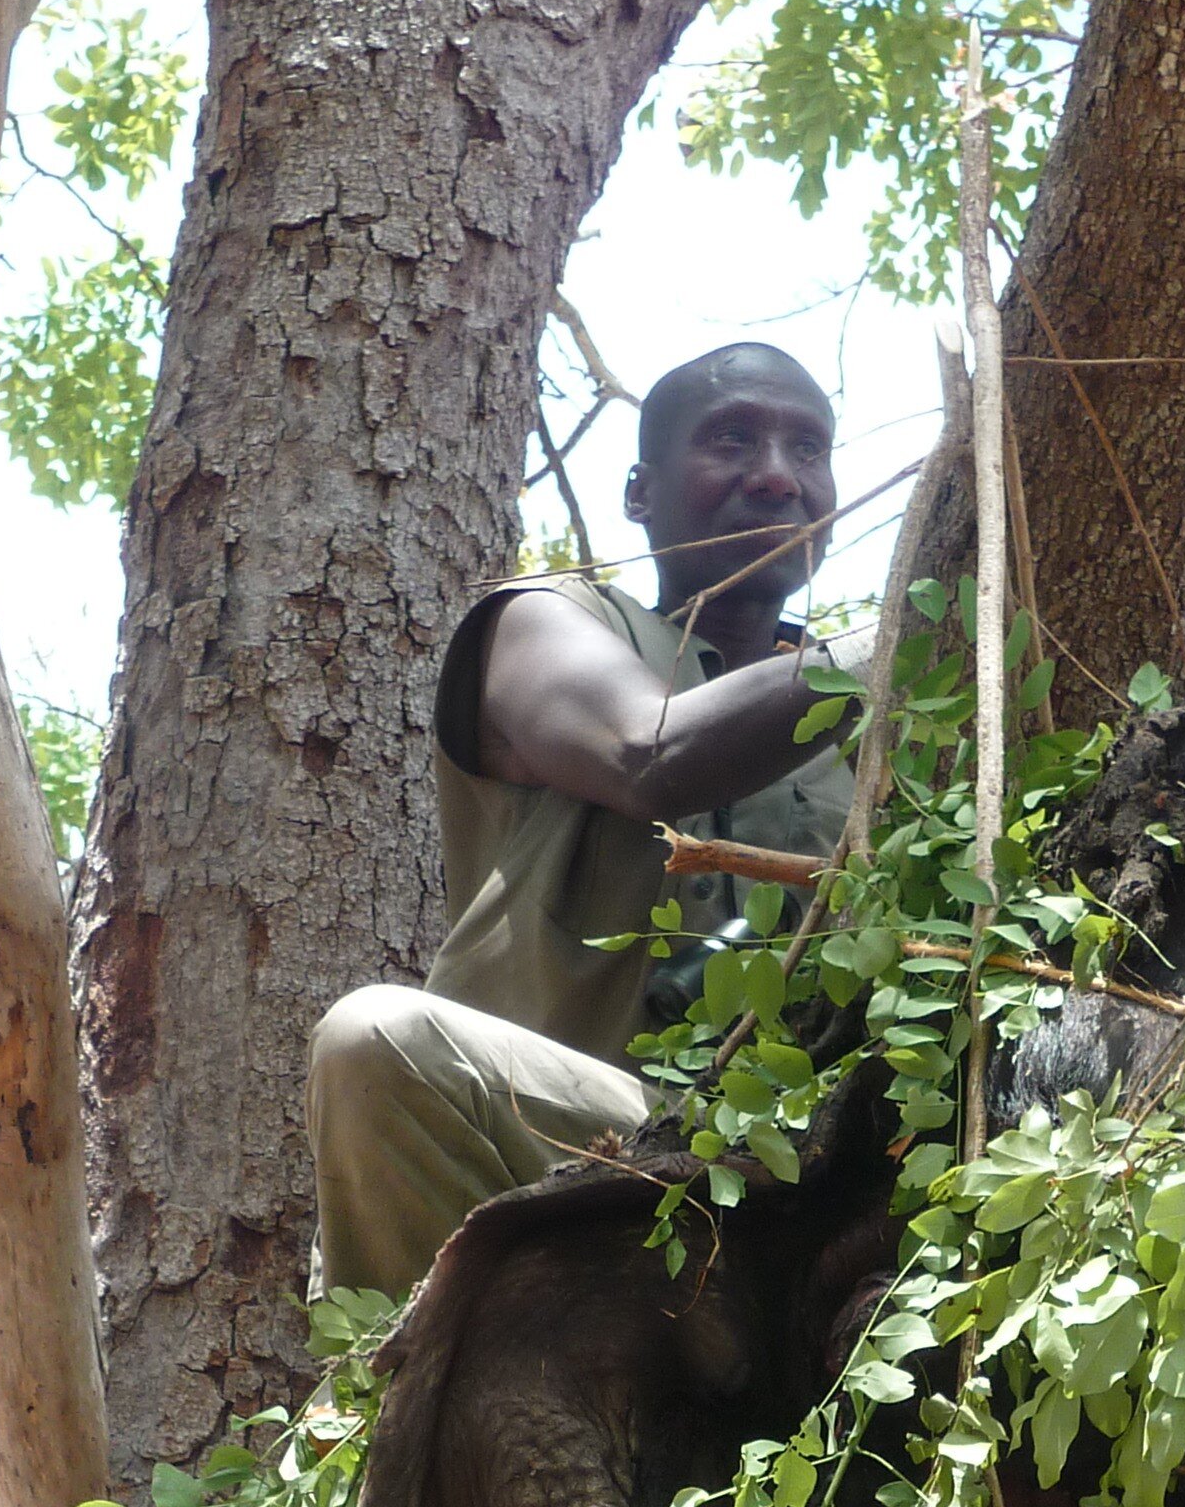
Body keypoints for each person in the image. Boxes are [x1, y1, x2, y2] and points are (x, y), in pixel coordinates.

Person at [306, 341, 857, 1306]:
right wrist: (901, 631)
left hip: (814, 1152)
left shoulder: (891, 720)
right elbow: (651, 754)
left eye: (809, 451)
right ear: (640, 493)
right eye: (733, 439)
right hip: (587, 1132)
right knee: (376, 1041)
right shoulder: (543, 622)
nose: (777, 475)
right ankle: (409, 1398)